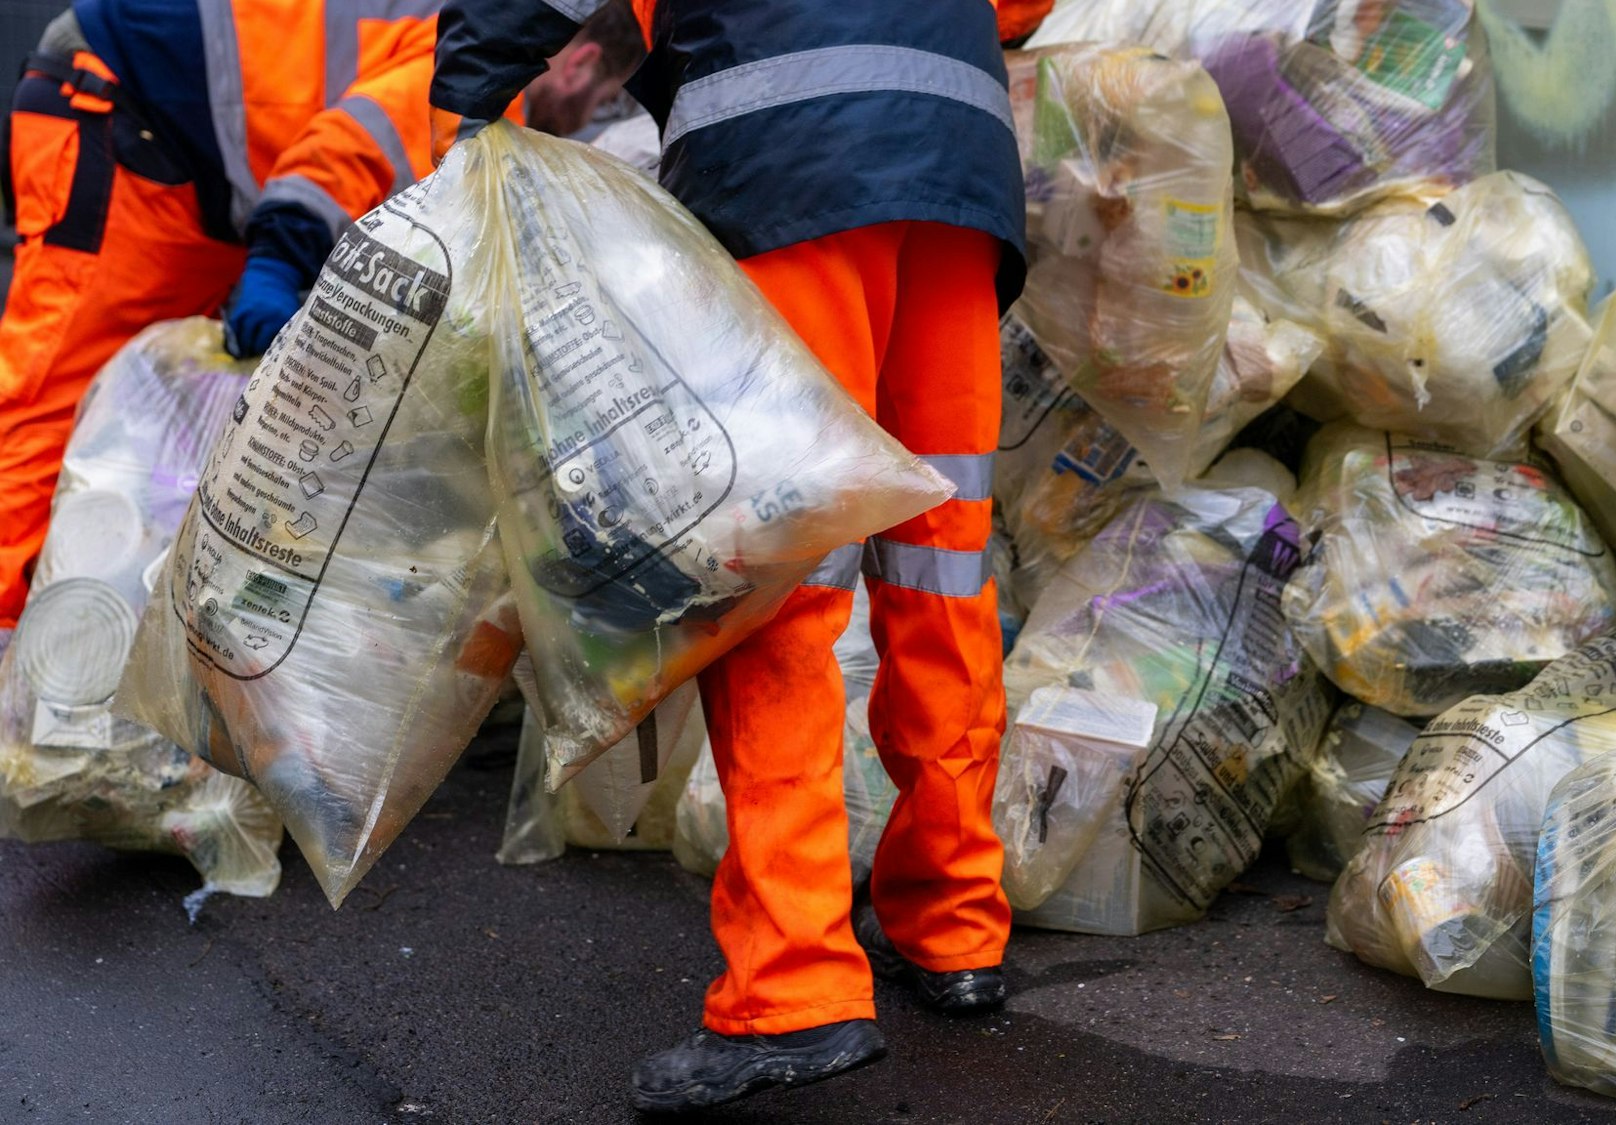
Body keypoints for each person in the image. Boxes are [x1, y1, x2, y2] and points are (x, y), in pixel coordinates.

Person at [432, 0, 1026, 1113]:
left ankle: (792, 995)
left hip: (789, 153)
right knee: (938, 557)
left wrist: (462, 106)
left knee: (774, 584)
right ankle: (954, 927)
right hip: (957, 161)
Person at [0, 0, 643, 631]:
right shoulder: (484, 72)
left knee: (148, 420)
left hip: (184, 153)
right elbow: (342, 154)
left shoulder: (455, 32)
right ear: (581, 63)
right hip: (117, 103)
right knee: (55, 401)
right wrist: (279, 263)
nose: (584, 119)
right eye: (599, 99)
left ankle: (89, 630)